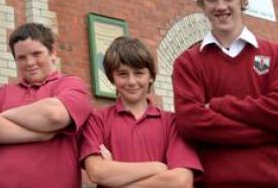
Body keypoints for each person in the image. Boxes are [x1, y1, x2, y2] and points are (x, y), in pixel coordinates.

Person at [172, 0, 278, 187]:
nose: (221, 6)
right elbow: (192, 123)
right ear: (201, 4)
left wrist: (220, 105)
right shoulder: (188, 63)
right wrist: (274, 135)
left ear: (243, 0)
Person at [0, 23, 92, 188]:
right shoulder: (5, 91)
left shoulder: (71, 85)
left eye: (37, 54)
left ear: (53, 53)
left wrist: (2, 116)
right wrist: (39, 134)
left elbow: (54, 115)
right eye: (21, 57)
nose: (30, 62)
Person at [80, 36, 200, 188]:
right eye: (123, 74)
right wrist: (157, 167)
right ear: (112, 78)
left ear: (151, 76)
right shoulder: (97, 120)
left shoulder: (172, 123)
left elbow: (181, 182)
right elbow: (96, 172)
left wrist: (115, 178)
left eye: (139, 73)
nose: (131, 81)